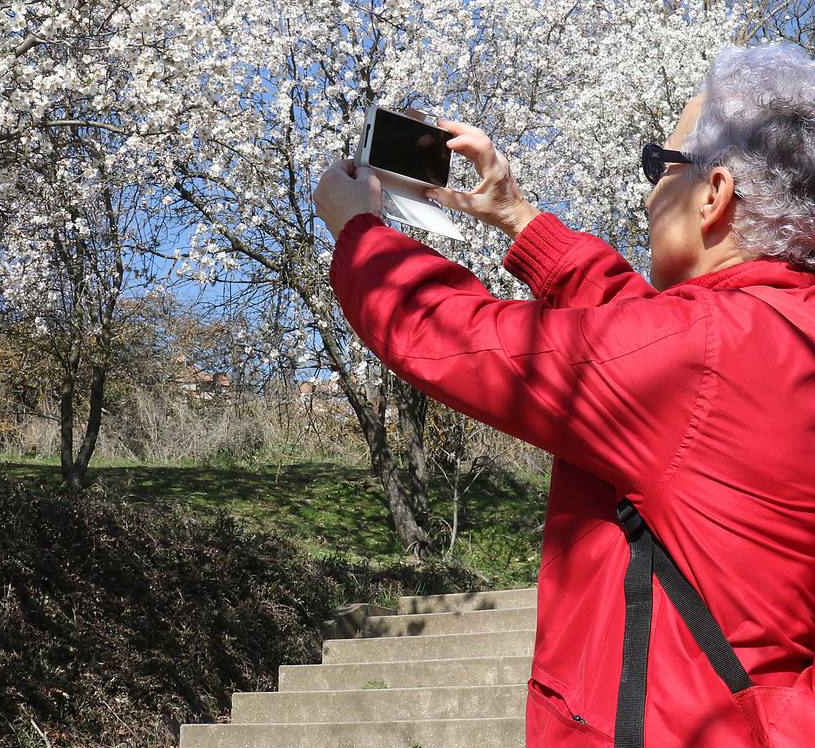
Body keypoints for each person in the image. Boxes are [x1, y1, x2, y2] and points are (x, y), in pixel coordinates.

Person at [313, 43, 815, 747]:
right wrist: (518, 219)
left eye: (658, 164)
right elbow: (643, 356)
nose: (647, 192)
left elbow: (455, 336)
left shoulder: (695, 356)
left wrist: (358, 231)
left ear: (714, 195)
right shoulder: (775, 332)